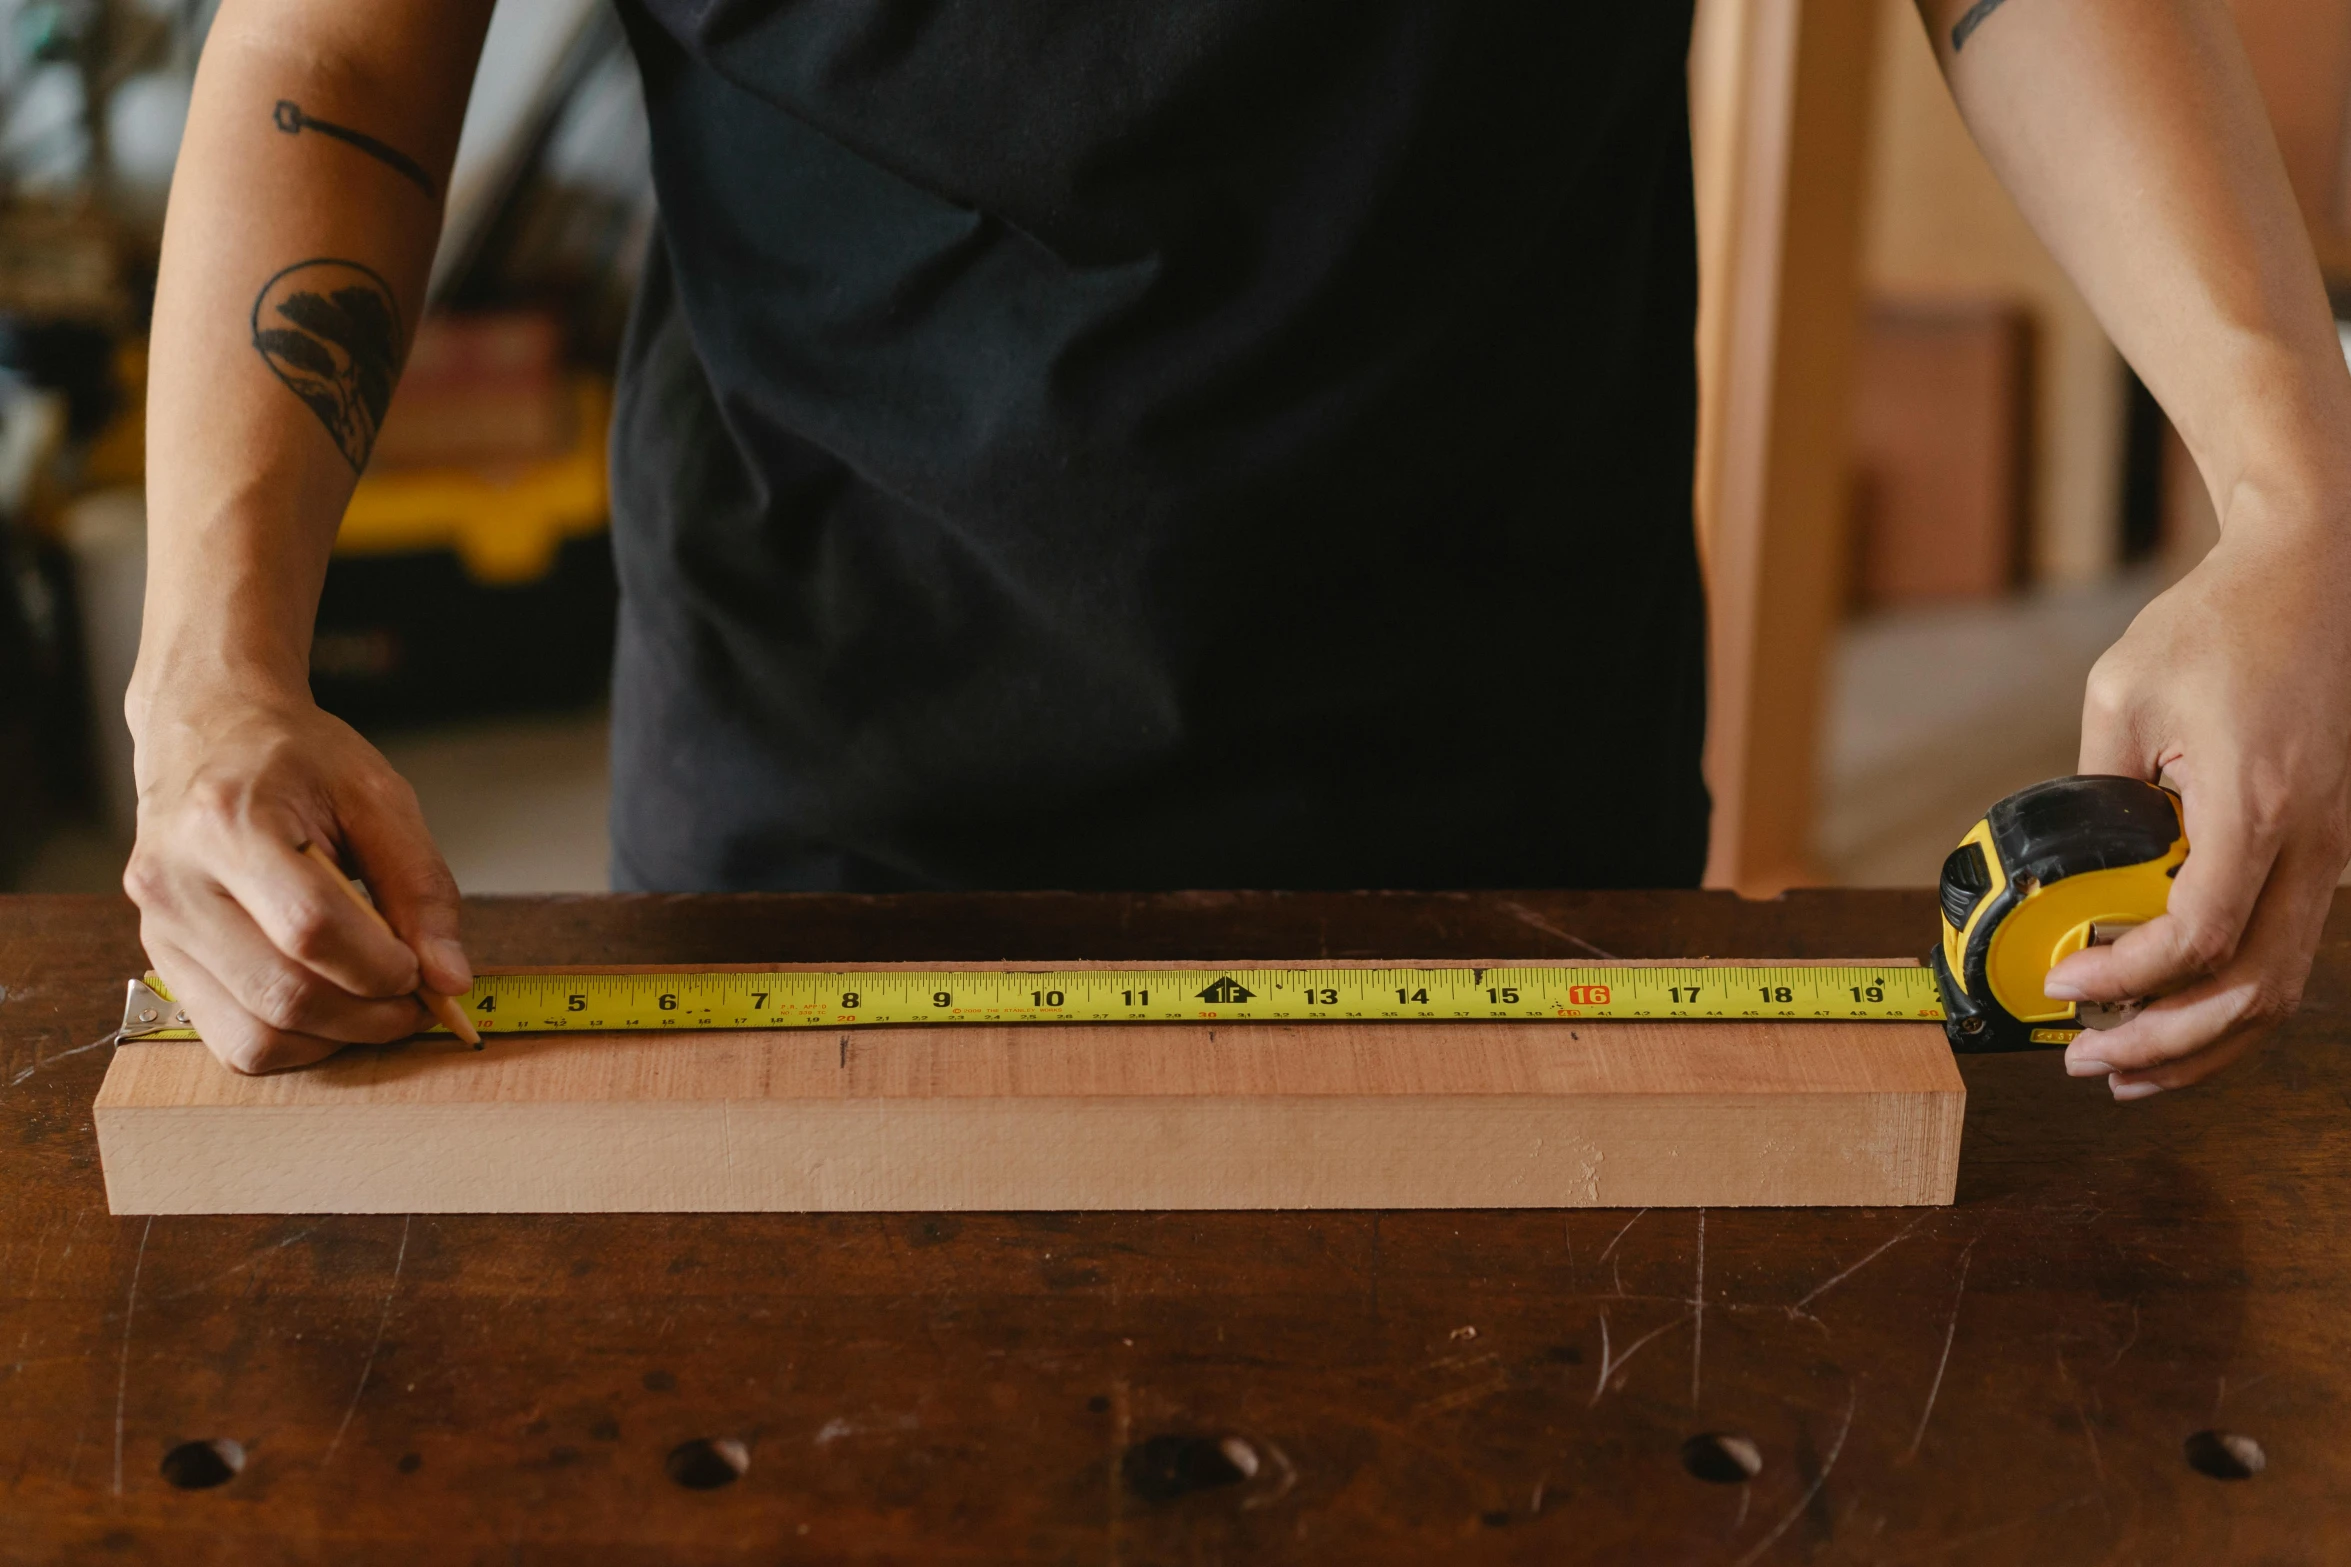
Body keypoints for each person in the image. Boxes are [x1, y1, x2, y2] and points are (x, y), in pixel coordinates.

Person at [126, 0, 2351, 1097]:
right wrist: (211, 660)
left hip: (1512, 799)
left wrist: (2289, 501)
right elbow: (340, 35)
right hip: (806, 814)